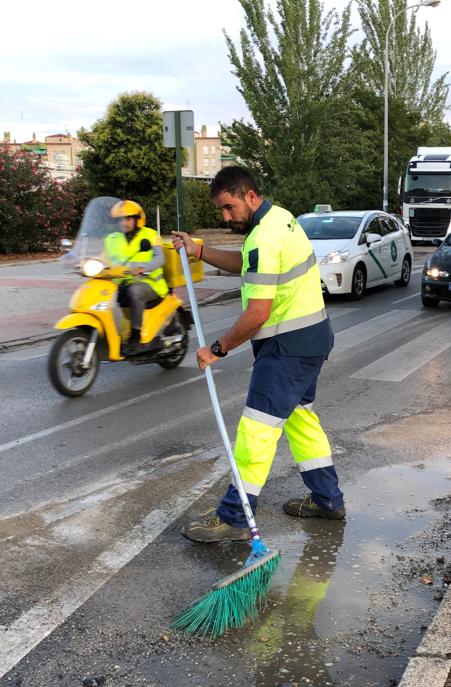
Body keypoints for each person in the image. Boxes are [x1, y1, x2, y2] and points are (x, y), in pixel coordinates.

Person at [171, 166, 346, 543]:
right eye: (222, 210)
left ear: (249, 196)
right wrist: (199, 250)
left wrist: (217, 349)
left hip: (288, 348)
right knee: (302, 423)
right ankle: (328, 501)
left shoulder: (264, 237)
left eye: (229, 207)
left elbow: (257, 314)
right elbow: (247, 265)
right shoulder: (280, 220)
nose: (225, 216)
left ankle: (235, 516)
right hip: (311, 339)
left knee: (256, 432)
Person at [105, 200, 167, 355]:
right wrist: (86, 263)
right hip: (121, 284)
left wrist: (142, 268)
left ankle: (136, 335)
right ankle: (111, 333)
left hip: (150, 284)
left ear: (138, 219)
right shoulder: (112, 239)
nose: (124, 223)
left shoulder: (151, 235)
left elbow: (160, 259)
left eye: (128, 219)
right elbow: (102, 258)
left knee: (135, 291)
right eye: (120, 219)